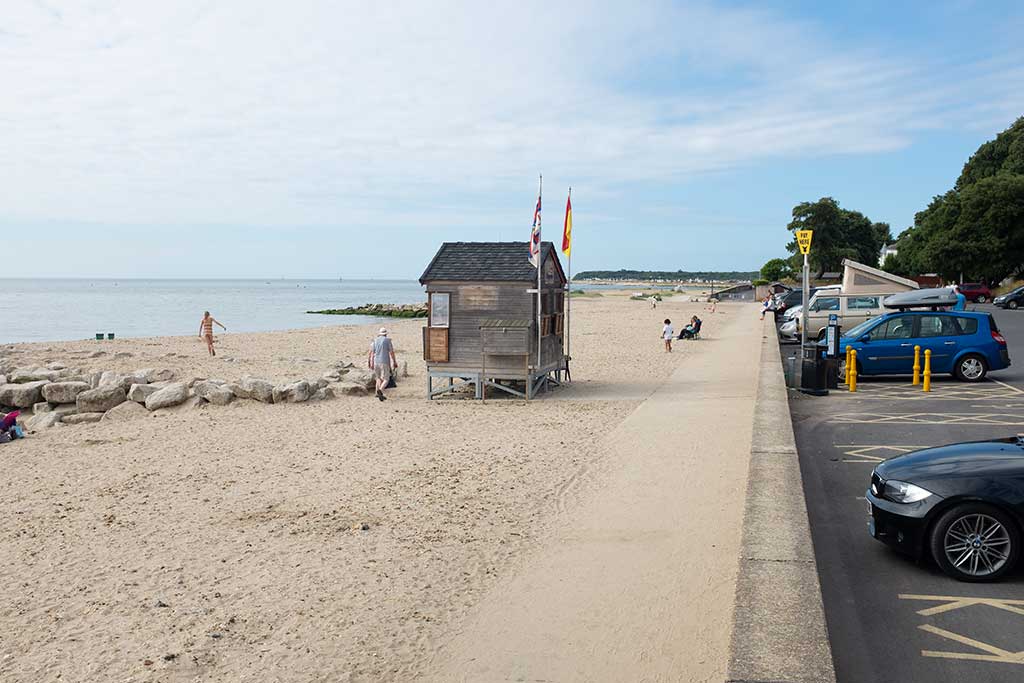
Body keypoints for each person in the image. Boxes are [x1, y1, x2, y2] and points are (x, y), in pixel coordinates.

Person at [368, 327, 398, 401]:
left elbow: (372, 353)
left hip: (376, 361)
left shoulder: (375, 341)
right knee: (386, 379)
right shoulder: (387, 341)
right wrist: (394, 361)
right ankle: (380, 390)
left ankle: (376, 393)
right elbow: (391, 352)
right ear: (385, 334)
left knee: (378, 378)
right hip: (384, 361)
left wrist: (371, 362)